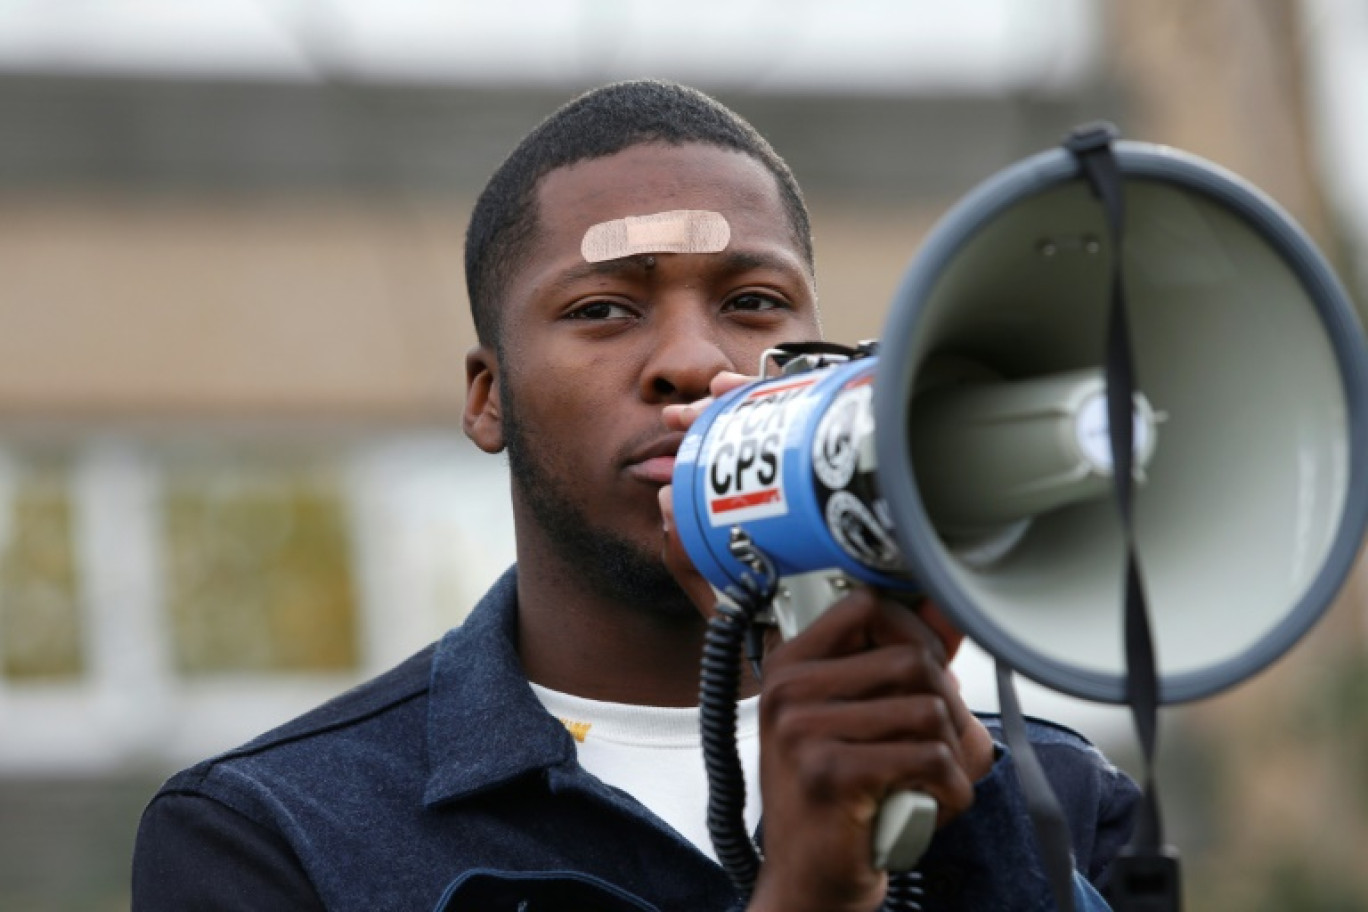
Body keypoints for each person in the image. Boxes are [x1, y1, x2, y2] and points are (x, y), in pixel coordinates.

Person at [132, 79, 1138, 911]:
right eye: (604, 309)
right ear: (489, 399)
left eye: (751, 303)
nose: (696, 363)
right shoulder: (275, 834)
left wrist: (982, 819)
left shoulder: (1061, 799)